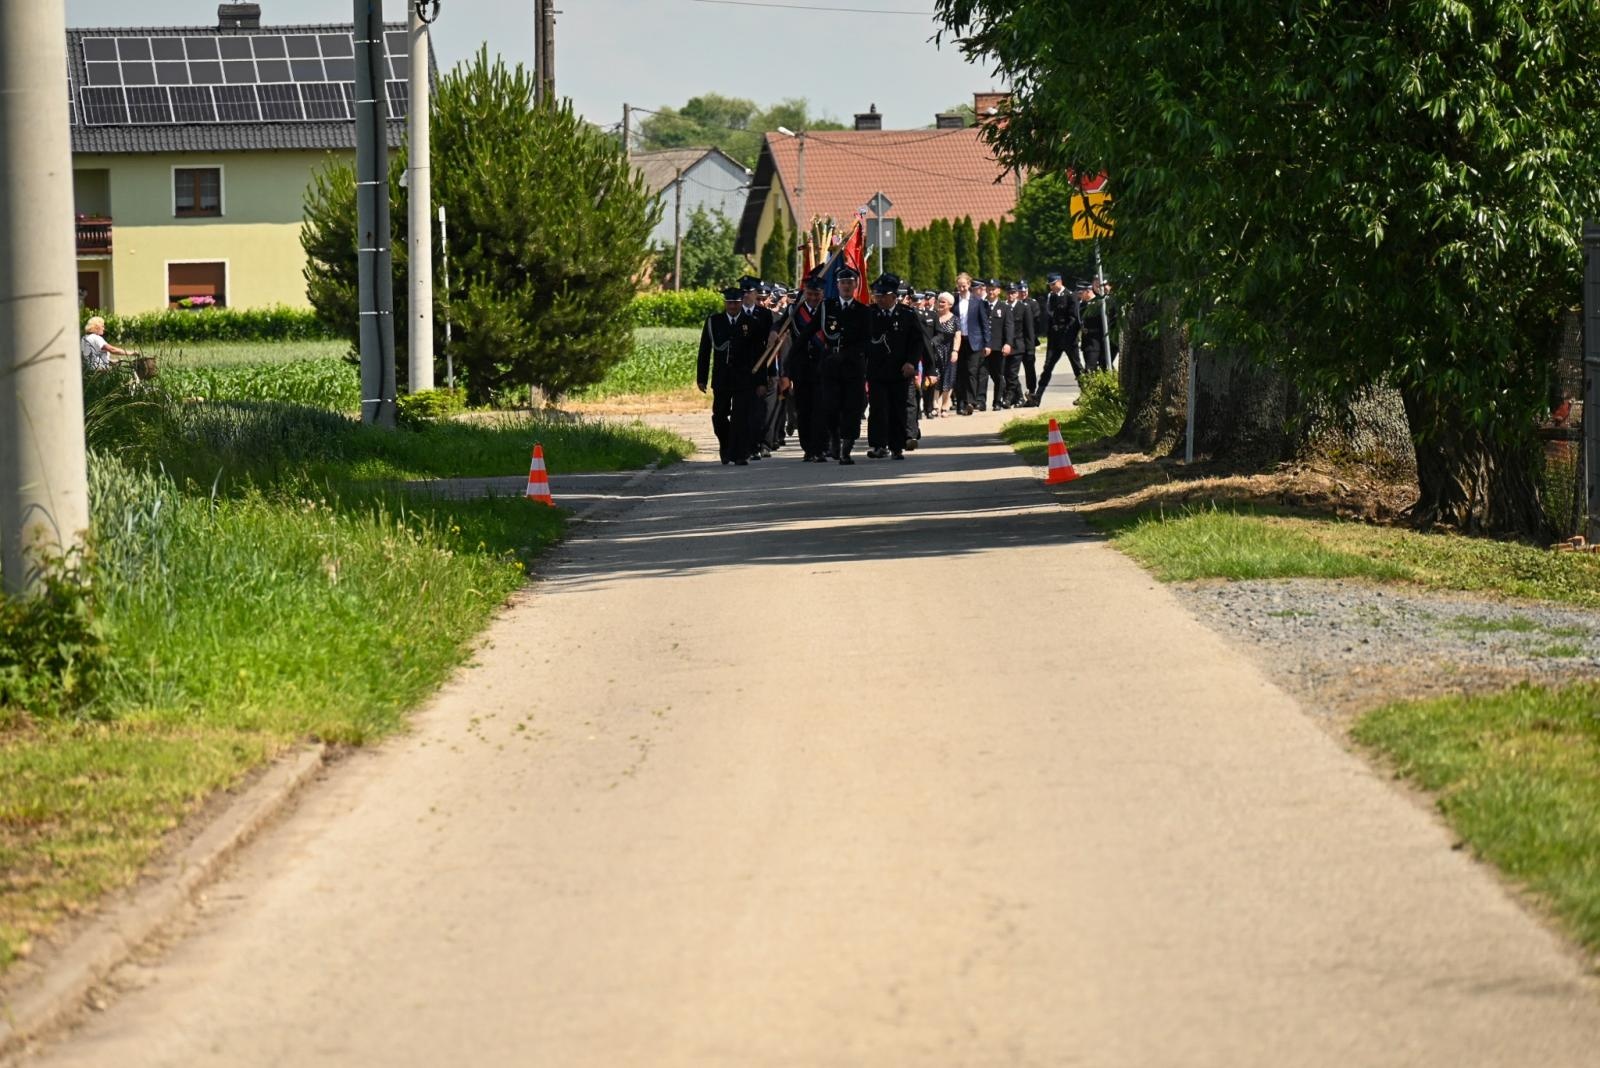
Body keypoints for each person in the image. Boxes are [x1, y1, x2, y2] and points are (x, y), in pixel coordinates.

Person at [697, 287, 760, 466]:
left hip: (743, 378)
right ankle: (725, 446)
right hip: (722, 378)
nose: (732, 306)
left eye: (736, 303)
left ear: (741, 302)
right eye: (729, 303)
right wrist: (701, 378)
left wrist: (761, 381)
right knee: (719, 416)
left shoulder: (751, 322)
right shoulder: (714, 321)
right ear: (725, 303)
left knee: (741, 417)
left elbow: (758, 353)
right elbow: (704, 351)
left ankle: (740, 453)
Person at [863, 273, 922, 460]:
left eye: (883, 296)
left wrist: (911, 362)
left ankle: (897, 446)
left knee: (898, 408)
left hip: (899, 371)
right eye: (877, 295)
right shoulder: (869, 314)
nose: (879, 299)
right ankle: (879, 445)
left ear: (893, 296)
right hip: (876, 370)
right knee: (878, 409)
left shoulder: (907, 314)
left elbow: (917, 342)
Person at [821, 265, 872, 465]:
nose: (846, 286)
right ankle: (834, 437)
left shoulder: (863, 311)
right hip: (831, 367)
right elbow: (810, 331)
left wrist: (848, 355)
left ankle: (846, 448)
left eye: (850, 282)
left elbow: (867, 340)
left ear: (856, 285)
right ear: (837, 285)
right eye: (843, 282)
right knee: (830, 408)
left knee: (852, 408)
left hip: (853, 367)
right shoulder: (827, 307)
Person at [787, 272, 831, 461]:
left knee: (821, 409)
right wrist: (773, 332)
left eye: (817, 294)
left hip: (823, 367)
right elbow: (780, 325)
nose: (813, 298)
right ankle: (808, 448)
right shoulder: (794, 310)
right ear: (805, 293)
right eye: (810, 294)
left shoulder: (828, 309)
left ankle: (821, 448)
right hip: (801, 368)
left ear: (823, 294)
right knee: (803, 410)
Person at [1031, 273, 1083, 405]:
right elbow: (1049, 316)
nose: (1052, 287)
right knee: (1047, 366)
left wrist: (1065, 331)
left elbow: (1074, 318)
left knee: (1077, 367)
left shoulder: (1070, 296)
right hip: (1054, 339)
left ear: (1060, 282)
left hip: (1068, 338)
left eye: (1053, 284)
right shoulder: (1052, 296)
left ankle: (1087, 393)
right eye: (1050, 285)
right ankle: (1038, 396)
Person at [954, 274, 990, 414]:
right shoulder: (955, 301)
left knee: (971, 371)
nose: (962, 288)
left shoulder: (977, 301)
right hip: (959, 341)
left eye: (964, 286)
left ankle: (970, 402)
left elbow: (984, 323)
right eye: (959, 286)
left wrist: (987, 343)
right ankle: (960, 403)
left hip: (974, 341)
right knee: (960, 372)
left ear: (969, 285)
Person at [929, 292, 962, 418]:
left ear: (950, 305)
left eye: (943, 302)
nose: (940, 304)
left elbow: (957, 337)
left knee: (948, 378)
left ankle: (945, 406)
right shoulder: (933, 316)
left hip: (949, 352)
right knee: (936, 377)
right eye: (939, 301)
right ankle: (935, 405)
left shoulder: (955, 319)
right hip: (935, 351)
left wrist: (955, 351)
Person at [985, 278, 1014, 410]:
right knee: (982, 375)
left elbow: (1009, 327)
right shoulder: (981, 305)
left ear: (998, 291)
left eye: (993, 289)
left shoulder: (1005, 307)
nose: (991, 292)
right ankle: (980, 401)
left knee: (998, 375)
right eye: (989, 289)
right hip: (983, 346)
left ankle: (997, 401)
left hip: (998, 346)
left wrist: (1008, 343)